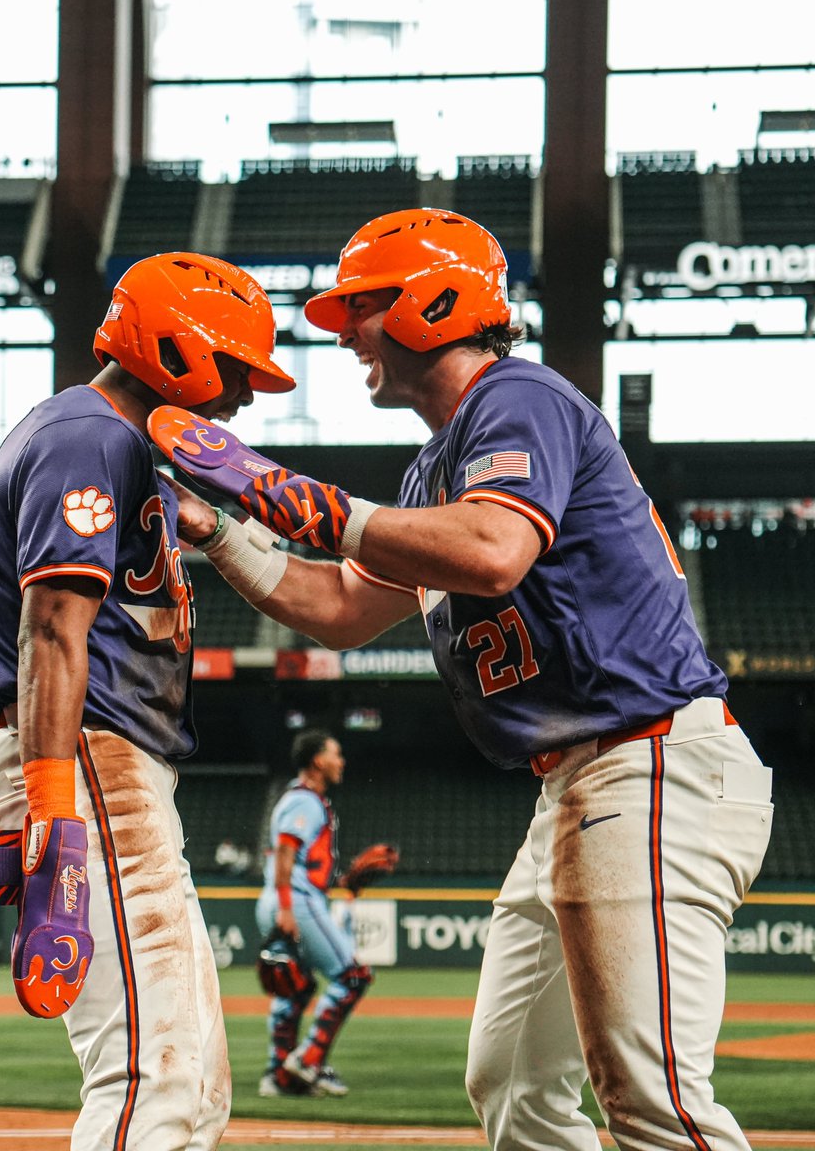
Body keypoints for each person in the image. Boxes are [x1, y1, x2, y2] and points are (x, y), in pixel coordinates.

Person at [152, 210, 774, 1151]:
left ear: (433, 304)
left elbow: (492, 549)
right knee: (514, 1084)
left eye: (360, 308)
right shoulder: (435, 466)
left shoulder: (516, 396)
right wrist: (221, 530)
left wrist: (303, 500)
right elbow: (340, 608)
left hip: (647, 766)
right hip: (585, 784)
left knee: (654, 1099)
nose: (345, 333)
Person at [0, 252, 295, 1150]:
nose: (244, 395)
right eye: (236, 367)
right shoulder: (88, 435)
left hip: (100, 760)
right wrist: (52, 814)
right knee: (153, 1079)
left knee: (194, 1085)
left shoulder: (110, 441)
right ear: (176, 347)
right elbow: (52, 629)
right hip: (84, 757)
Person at [255, 727, 370, 1099]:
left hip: (284, 897)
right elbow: (286, 854)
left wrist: (344, 882)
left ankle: (279, 1075)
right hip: (296, 901)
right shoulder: (305, 801)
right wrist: (288, 908)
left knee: (296, 987)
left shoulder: (299, 798)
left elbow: (302, 859)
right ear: (319, 761)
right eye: (336, 754)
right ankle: (308, 1061)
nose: (341, 761)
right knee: (352, 976)